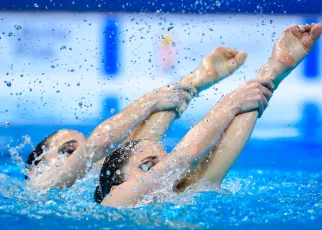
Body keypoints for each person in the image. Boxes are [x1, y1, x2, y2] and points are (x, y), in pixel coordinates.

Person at [95, 23, 322, 207]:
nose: (167, 171)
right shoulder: (115, 202)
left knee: (199, 184)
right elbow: (186, 157)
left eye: (161, 160)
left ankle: (192, 84)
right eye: (147, 166)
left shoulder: (184, 201)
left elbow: (211, 159)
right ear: (117, 187)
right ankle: (191, 84)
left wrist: (272, 72)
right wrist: (230, 104)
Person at [26, 45, 248, 191]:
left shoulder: (101, 190)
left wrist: (194, 82)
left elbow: (141, 146)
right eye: (68, 150)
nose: (91, 158)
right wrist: (149, 102)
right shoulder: (39, 185)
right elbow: (98, 144)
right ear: (34, 168)